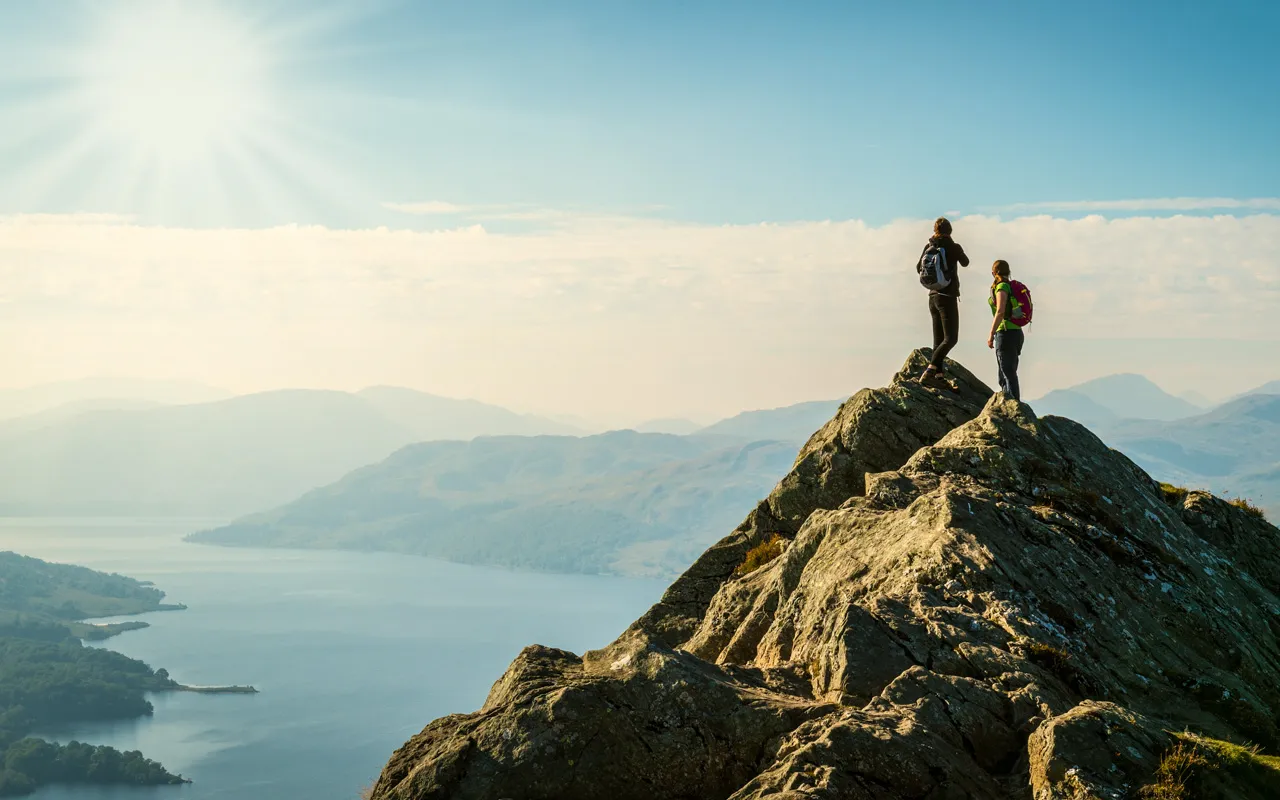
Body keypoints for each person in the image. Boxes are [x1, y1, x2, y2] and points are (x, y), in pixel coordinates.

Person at [919, 217, 970, 387]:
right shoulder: (952, 246)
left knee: (938, 339)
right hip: (947, 297)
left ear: (935, 230)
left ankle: (939, 377)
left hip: (932, 297)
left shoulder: (929, 246)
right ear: (950, 231)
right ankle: (930, 371)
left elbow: (918, 267)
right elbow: (965, 262)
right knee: (951, 338)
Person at [987, 259, 1025, 400]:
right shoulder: (1011, 286)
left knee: (1007, 374)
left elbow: (1000, 311)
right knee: (1008, 373)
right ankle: (1011, 404)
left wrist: (991, 333)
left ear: (994, 273)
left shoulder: (1002, 286)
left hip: (1005, 333)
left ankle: (1014, 406)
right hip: (1016, 333)